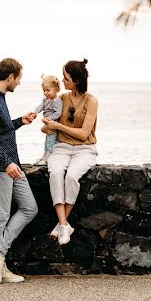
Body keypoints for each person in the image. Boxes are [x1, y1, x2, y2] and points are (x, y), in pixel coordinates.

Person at [0, 58, 38, 284]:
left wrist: (20, 121)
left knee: (30, 207)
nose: (19, 83)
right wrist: (6, 163)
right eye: (18, 78)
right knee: (0, 215)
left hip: (11, 164)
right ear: (10, 77)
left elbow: (0, 130)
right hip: (2, 166)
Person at [42, 58, 98, 246]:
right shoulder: (61, 99)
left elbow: (83, 134)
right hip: (61, 147)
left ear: (76, 80)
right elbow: (50, 126)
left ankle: (61, 224)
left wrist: (58, 125)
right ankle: (65, 224)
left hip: (85, 150)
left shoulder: (92, 101)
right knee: (56, 173)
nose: (62, 81)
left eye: (66, 78)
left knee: (72, 177)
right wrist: (47, 126)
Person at [32, 74, 63, 166]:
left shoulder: (57, 100)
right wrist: (35, 113)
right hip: (48, 123)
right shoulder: (46, 99)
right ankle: (44, 156)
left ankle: (49, 158)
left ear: (56, 89)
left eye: (48, 90)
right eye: (44, 90)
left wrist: (49, 118)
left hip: (53, 123)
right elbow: (40, 107)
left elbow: (58, 113)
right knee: (47, 141)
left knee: (51, 141)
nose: (45, 92)